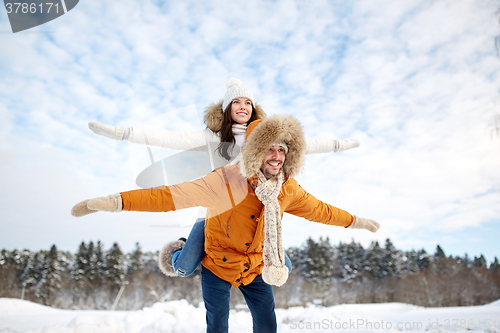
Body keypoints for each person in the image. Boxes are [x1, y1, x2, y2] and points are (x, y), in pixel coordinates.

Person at [71, 114, 380, 333]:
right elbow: (170, 196)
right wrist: (116, 202)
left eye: (282, 149)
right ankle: (183, 249)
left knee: (267, 322)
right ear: (255, 151)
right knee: (217, 323)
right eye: (269, 148)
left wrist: (357, 222)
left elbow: (322, 211)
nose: (276, 156)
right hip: (216, 265)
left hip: (256, 266)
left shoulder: (288, 189)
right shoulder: (225, 181)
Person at [86, 78, 360, 278]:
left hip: (255, 212)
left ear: (254, 109)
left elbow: (306, 143)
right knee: (183, 267)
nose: (243, 106)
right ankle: (181, 247)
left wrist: (340, 145)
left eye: (248, 102)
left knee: (283, 268)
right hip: (217, 210)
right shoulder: (214, 138)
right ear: (227, 109)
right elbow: (170, 138)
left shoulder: (266, 136)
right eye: (237, 102)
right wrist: (123, 133)